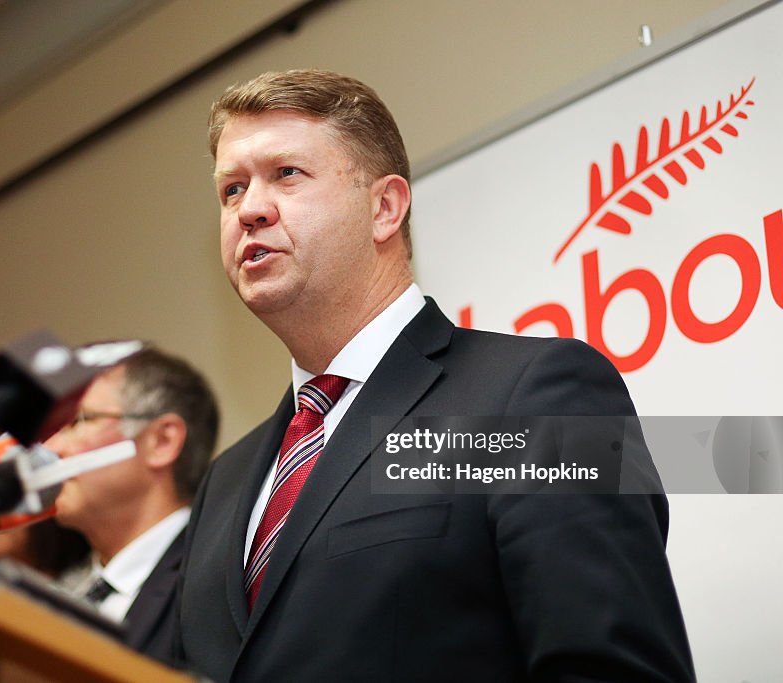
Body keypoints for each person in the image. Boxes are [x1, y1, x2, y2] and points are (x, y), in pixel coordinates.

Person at [176, 70, 695, 682]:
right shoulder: (224, 483)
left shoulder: (539, 393)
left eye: (287, 174)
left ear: (385, 207)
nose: (250, 210)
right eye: (232, 190)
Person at [44, 346, 218, 664]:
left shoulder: (218, 582)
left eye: (77, 421)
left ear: (161, 441)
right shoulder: (54, 594)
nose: (51, 447)